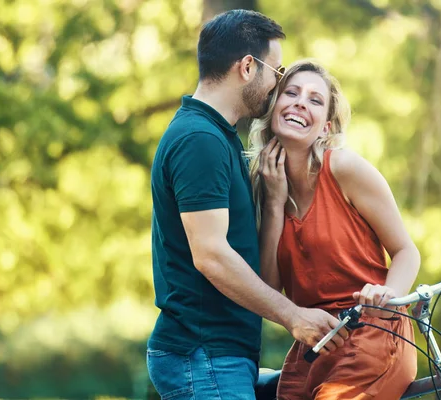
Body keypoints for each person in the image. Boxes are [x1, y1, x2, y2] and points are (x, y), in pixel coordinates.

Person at [147, 11, 348, 400]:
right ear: (247, 67)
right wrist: (293, 316)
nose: (276, 83)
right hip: (203, 356)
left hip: (222, 356)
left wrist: (273, 203)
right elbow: (211, 256)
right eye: (276, 70)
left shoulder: (217, 136)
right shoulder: (199, 140)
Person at [248, 60, 421, 400]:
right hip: (314, 344)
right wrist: (273, 204)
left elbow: (407, 251)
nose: (300, 102)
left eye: (315, 99)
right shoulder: (264, 186)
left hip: (373, 330)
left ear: (325, 128)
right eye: (291, 93)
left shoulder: (344, 168)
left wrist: (387, 296)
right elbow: (268, 288)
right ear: (273, 108)